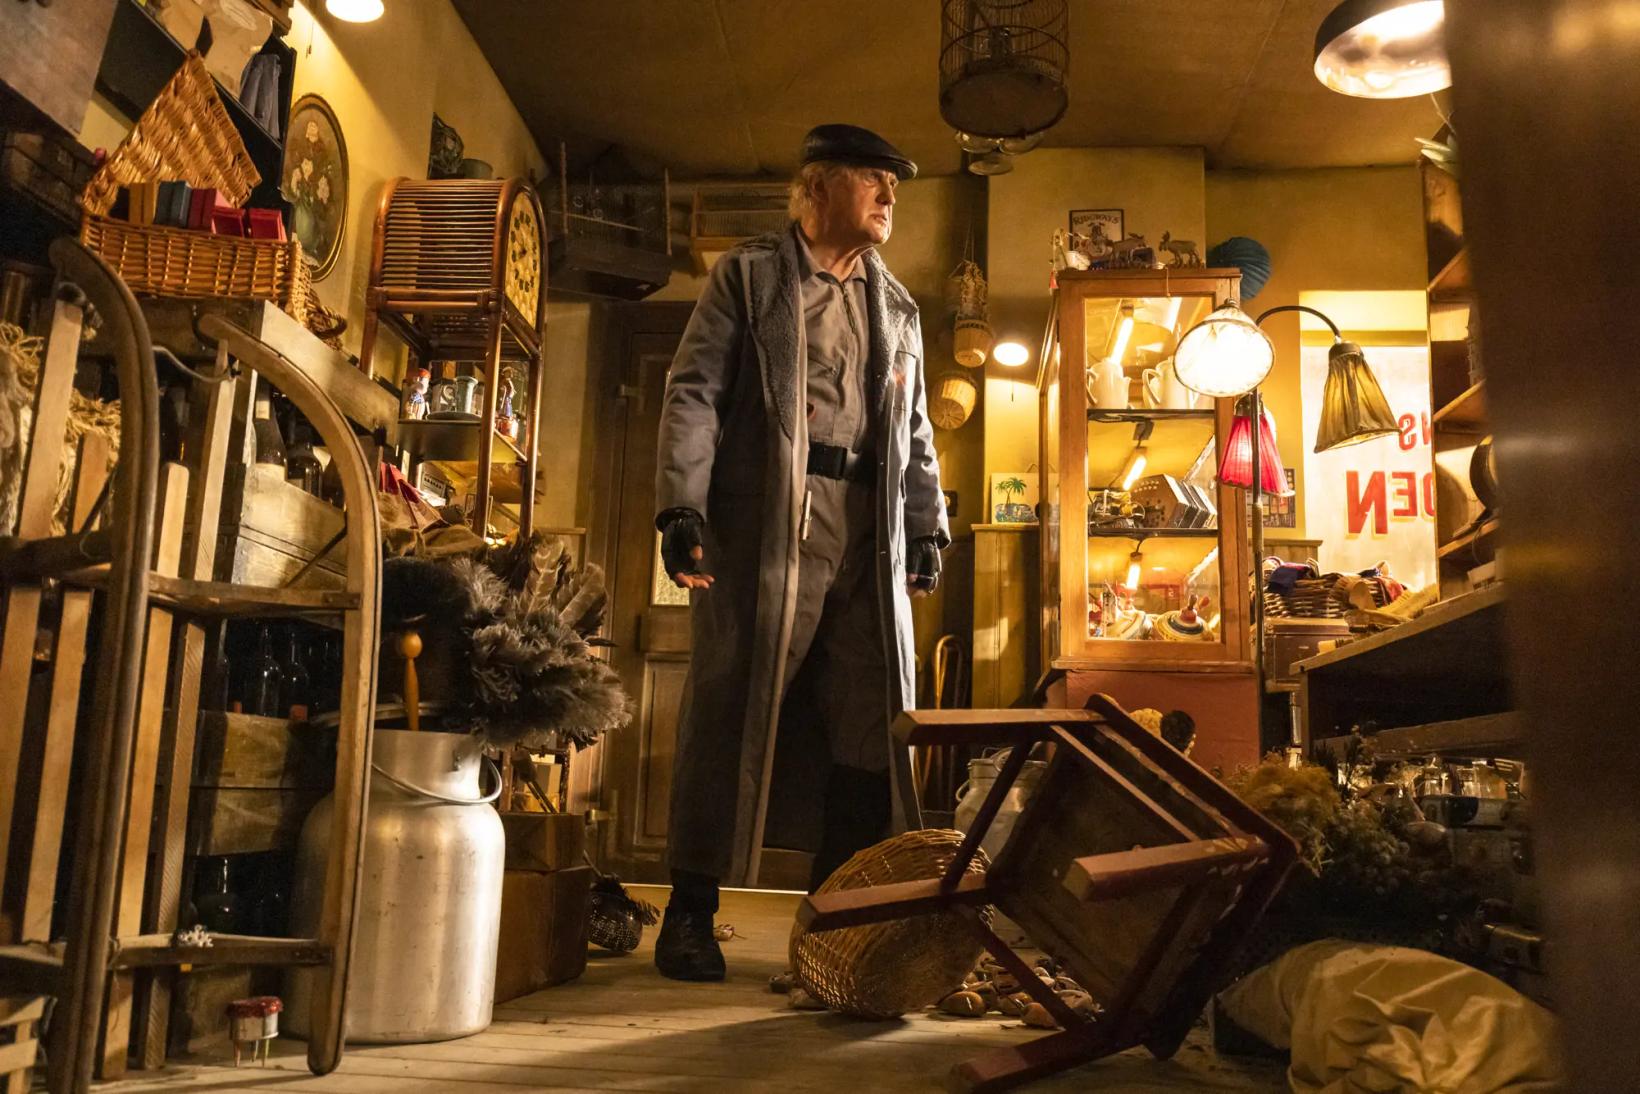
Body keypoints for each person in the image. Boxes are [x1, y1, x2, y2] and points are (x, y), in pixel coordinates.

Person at [652, 124, 949, 981]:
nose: (891, 196)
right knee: (729, 699)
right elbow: (696, 391)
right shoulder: (747, 276)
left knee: (869, 716)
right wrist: (682, 502)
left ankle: (837, 923)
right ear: (816, 188)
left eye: (895, 184)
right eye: (872, 179)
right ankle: (690, 915)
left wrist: (926, 524)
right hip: (766, 523)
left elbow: (916, 428)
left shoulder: (898, 308)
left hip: (869, 526)